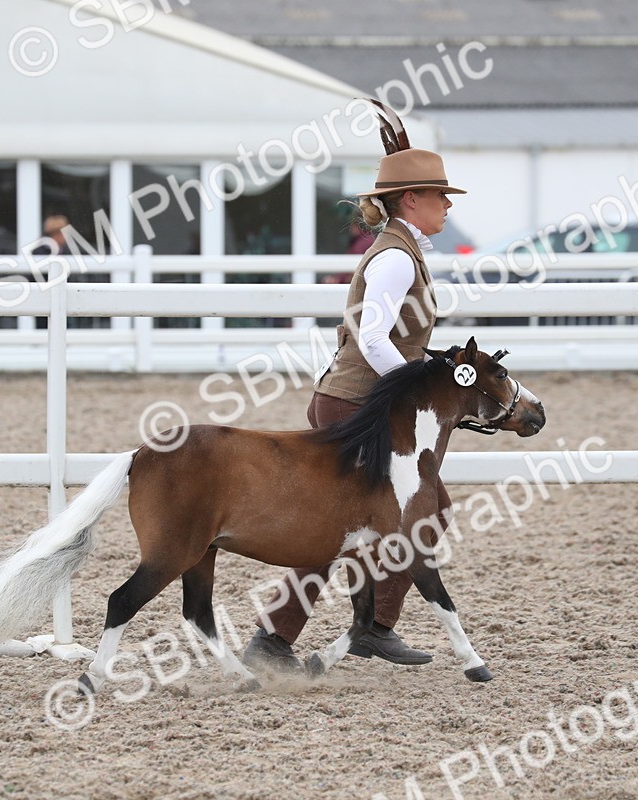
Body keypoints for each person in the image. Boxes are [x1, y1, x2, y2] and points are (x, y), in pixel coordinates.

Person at [243, 107, 466, 672]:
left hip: (356, 399)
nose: (448, 204)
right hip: (358, 403)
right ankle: (361, 628)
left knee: (369, 520)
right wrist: (410, 387)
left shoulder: (401, 249)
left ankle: (327, 631)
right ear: (410, 199)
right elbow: (372, 337)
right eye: (440, 195)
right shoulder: (395, 257)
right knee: (400, 516)